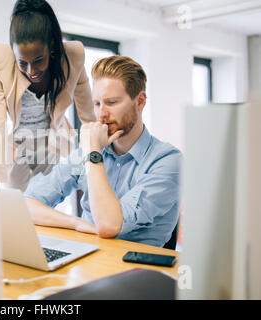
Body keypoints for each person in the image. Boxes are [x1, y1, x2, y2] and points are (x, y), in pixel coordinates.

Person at [24, 55, 182, 247]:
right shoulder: (91, 150)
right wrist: (76, 223)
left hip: (139, 270)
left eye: (112, 102)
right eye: (97, 103)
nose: (101, 115)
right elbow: (27, 204)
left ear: (140, 102)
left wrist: (93, 155)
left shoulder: (167, 160)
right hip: (92, 259)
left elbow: (109, 225)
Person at [0, 0, 95, 191]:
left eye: (38, 60)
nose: (32, 70)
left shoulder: (72, 57)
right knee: (16, 204)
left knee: (44, 203)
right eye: (23, 63)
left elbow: (88, 117)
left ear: (51, 47)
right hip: (16, 144)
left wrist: (98, 159)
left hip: (49, 142)